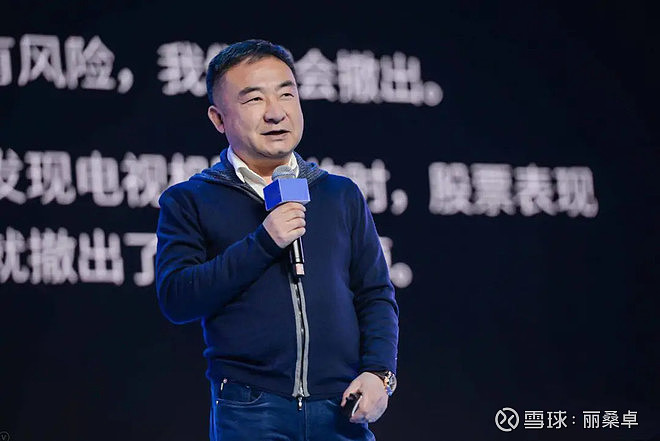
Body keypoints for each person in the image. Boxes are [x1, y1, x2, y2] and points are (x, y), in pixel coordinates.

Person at [155, 39, 399, 441]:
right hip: (250, 407)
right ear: (218, 118)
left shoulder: (339, 194)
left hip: (341, 405)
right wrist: (264, 242)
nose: (275, 112)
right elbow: (177, 298)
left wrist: (379, 373)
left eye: (286, 93)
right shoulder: (190, 200)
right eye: (254, 99)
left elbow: (374, 293)